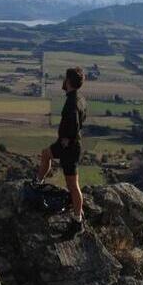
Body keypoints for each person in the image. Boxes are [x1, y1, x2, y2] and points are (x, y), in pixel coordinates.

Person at [34, 66, 88, 234]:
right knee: (46, 154)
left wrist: (67, 139)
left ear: (69, 81)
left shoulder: (72, 102)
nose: (63, 81)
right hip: (68, 145)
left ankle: (78, 221)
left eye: (65, 78)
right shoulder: (80, 98)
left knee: (73, 185)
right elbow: (82, 118)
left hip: (69, 148)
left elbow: (73, 124)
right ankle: (38, 183)